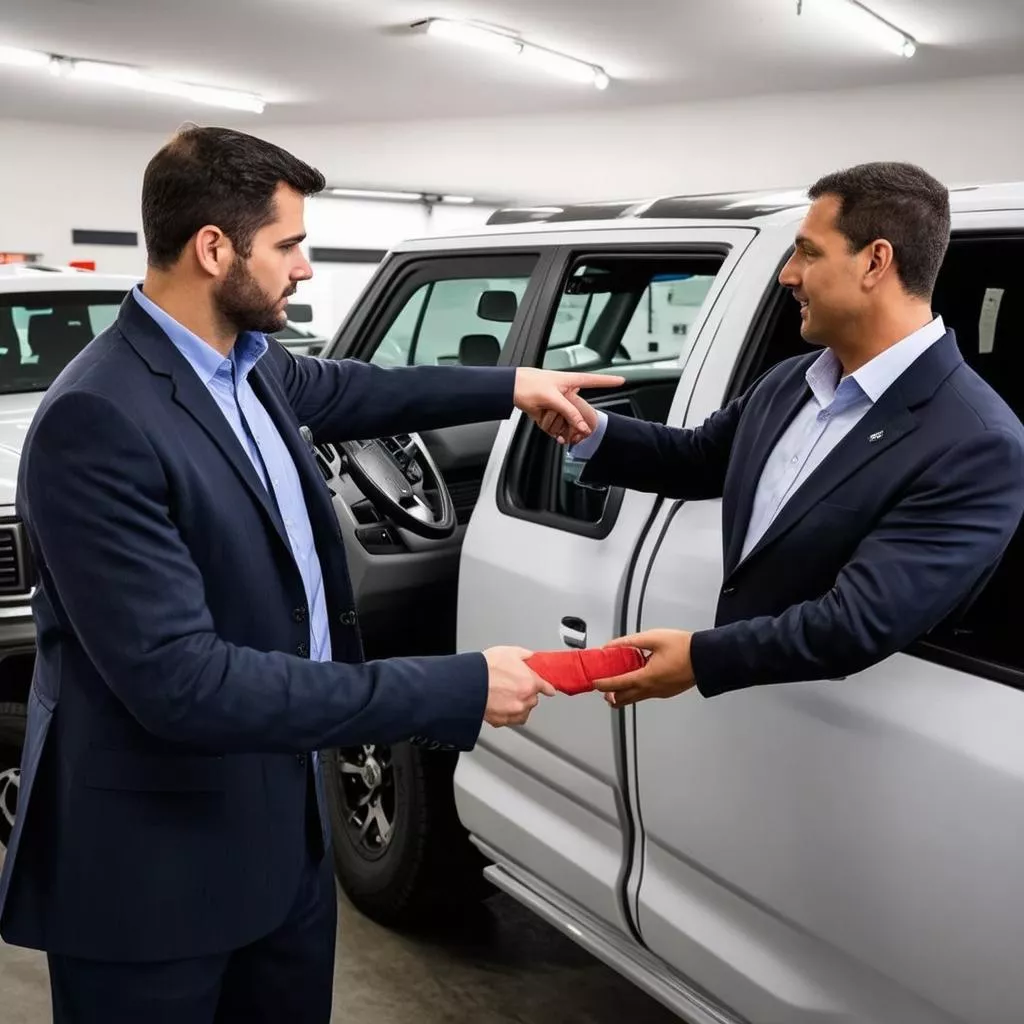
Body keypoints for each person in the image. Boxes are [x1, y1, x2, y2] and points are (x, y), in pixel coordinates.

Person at [0, 125, 624, 1024]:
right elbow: (184, 684)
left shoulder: (250, 370)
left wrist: (516, 384)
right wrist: (451, 685)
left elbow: (360, 391)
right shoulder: (96, 420)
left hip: (282, 838)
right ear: (215, 249)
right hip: (153, 871)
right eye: (289, 245)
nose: (305, 270)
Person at [554, 161, 1024, 706]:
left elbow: (857, 622)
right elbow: (704, 458)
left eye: (808, 252)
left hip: (855, 732)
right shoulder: (791, 380)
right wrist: (588, 428)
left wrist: (702, 658)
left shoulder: (978, 443)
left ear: (875, 262)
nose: (787, 274)